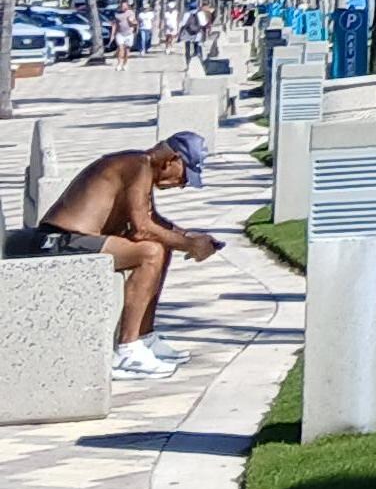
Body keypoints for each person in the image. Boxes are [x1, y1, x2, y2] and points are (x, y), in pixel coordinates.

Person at [5, 130, 218, 375]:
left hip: (78, 240)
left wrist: (189, 236)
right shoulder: (138, 166)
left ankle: (144, 337)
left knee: (163, 246)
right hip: (61, 240)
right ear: (173, 160)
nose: (181, 185)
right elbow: (142, 229)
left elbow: (154, 221)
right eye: (184, 177)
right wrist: (190, 246)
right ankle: (127, 350)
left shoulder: (142, 168)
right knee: (150, 252)